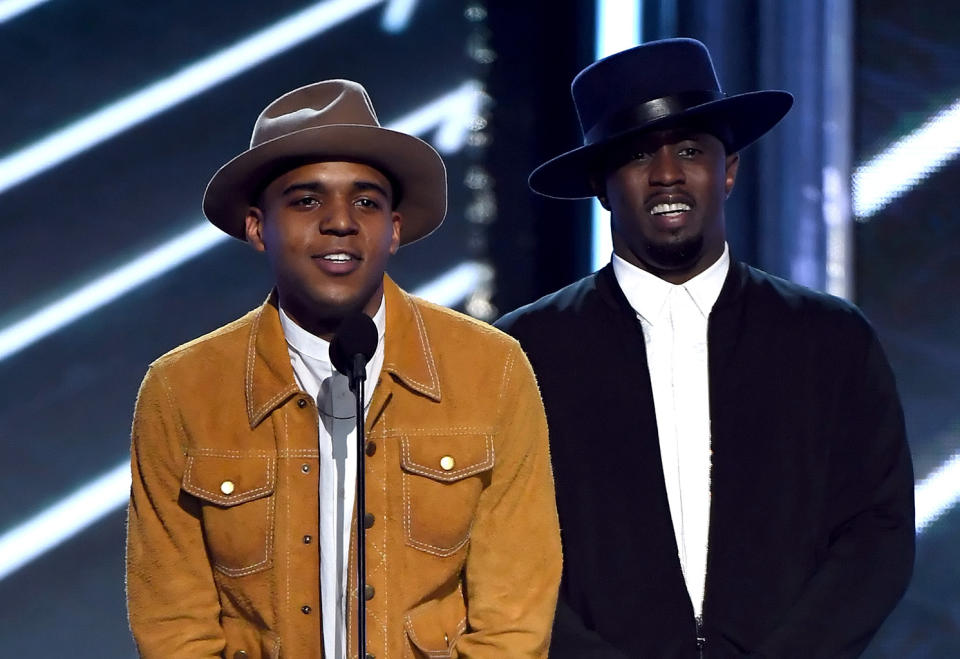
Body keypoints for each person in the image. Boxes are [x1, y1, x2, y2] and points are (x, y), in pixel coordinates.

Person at [496, 39, 914, 658]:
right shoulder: (524, 351)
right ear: (601, 186)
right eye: (638, 155)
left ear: (730, 169)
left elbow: (876, 532)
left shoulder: (829, 339)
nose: (667, 173)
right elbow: (498, 550)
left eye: (690, 150)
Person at [126, 79, 561, 659]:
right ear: (258, 227)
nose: (340, 221)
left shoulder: (492, 369)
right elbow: (173, 626)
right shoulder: (181, 389)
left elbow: (513, 622)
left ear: (395, 228)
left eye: (366, 201)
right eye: (307, 200)